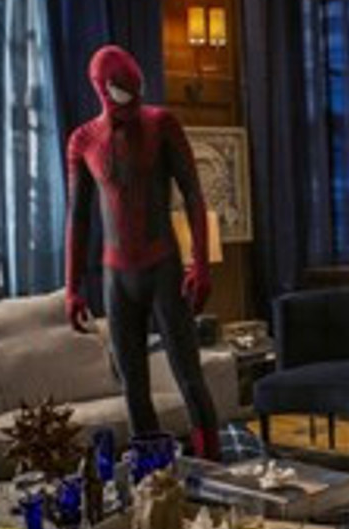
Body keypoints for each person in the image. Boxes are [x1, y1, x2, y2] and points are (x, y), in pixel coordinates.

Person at [64, 45, 221, 461]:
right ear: (102, 89)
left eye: (137, 92)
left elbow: (193, 195)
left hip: (162, 268)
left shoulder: (161, 123)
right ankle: (153, 480)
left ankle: (216, 470)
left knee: (189, 378)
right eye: (123, 93)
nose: (133, 102)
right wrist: (72, 288)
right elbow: (77, 218)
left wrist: (201, 265)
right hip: (117, 278)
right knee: (133, 387)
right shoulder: (82, 140)